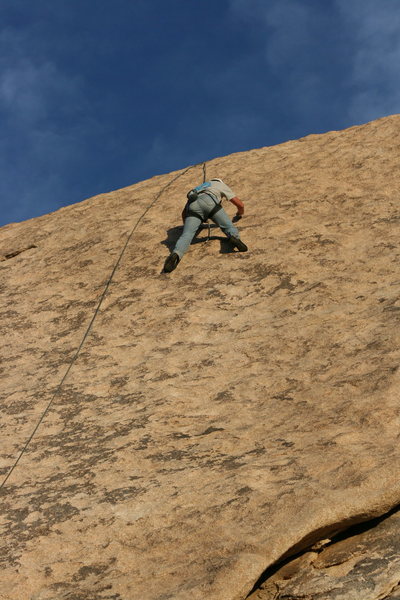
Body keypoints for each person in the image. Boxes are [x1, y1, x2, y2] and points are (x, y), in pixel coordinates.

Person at [163, 178, 248, 273]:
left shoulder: (198, 188)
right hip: (210, 202)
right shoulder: (220, 185)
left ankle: (176, 254)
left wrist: (190, 225)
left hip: (192, 207)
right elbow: (240, 204)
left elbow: (184, 213)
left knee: (186, 235)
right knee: (228, 227)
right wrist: (239, 214)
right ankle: (234, 237)